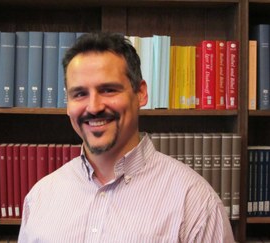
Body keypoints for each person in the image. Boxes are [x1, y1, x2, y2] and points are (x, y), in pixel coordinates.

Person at [18, 32, 235, 242]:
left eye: (108, 90)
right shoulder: (40, 197)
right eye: (80, 94)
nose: (93, 107)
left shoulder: (195, 202)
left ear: (140, 93)